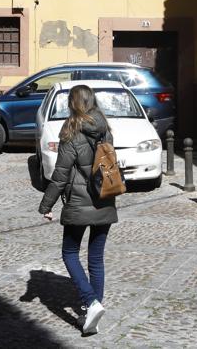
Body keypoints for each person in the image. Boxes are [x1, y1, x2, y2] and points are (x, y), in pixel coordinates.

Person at [38, 85, 117, 336]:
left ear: (73, 104)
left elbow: (60, 175)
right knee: (96, 258)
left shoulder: (71, 131)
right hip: (104, 198)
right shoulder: (105, 129)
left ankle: (91, 302)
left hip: (79, 203)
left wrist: (46, 205)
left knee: (69, 252)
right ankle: (91, 308)